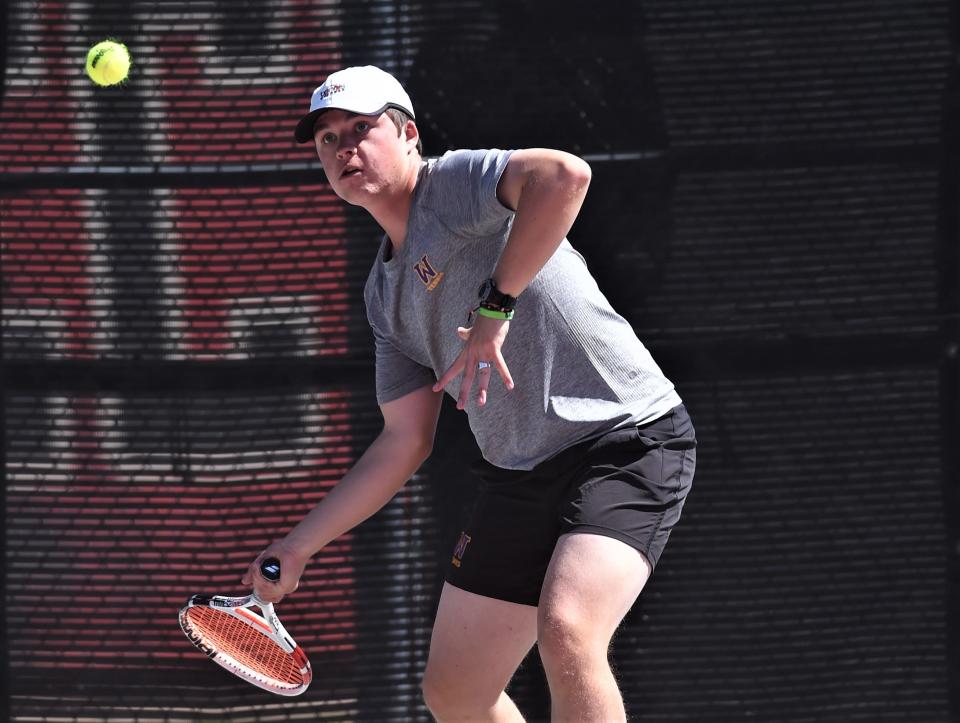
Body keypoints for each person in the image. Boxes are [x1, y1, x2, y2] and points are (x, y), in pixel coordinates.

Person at [243, 65, 697, 722]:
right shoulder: (385, 297)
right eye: (327, 140)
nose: (344, 150)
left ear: (407, 135)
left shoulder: (452, 184)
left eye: (361, 130)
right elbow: (404, 439)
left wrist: (495, 308)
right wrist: (298, 545)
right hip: (518, 474)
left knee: (568, 629)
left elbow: (565, 177)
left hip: (625, 441)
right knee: (454, 691)